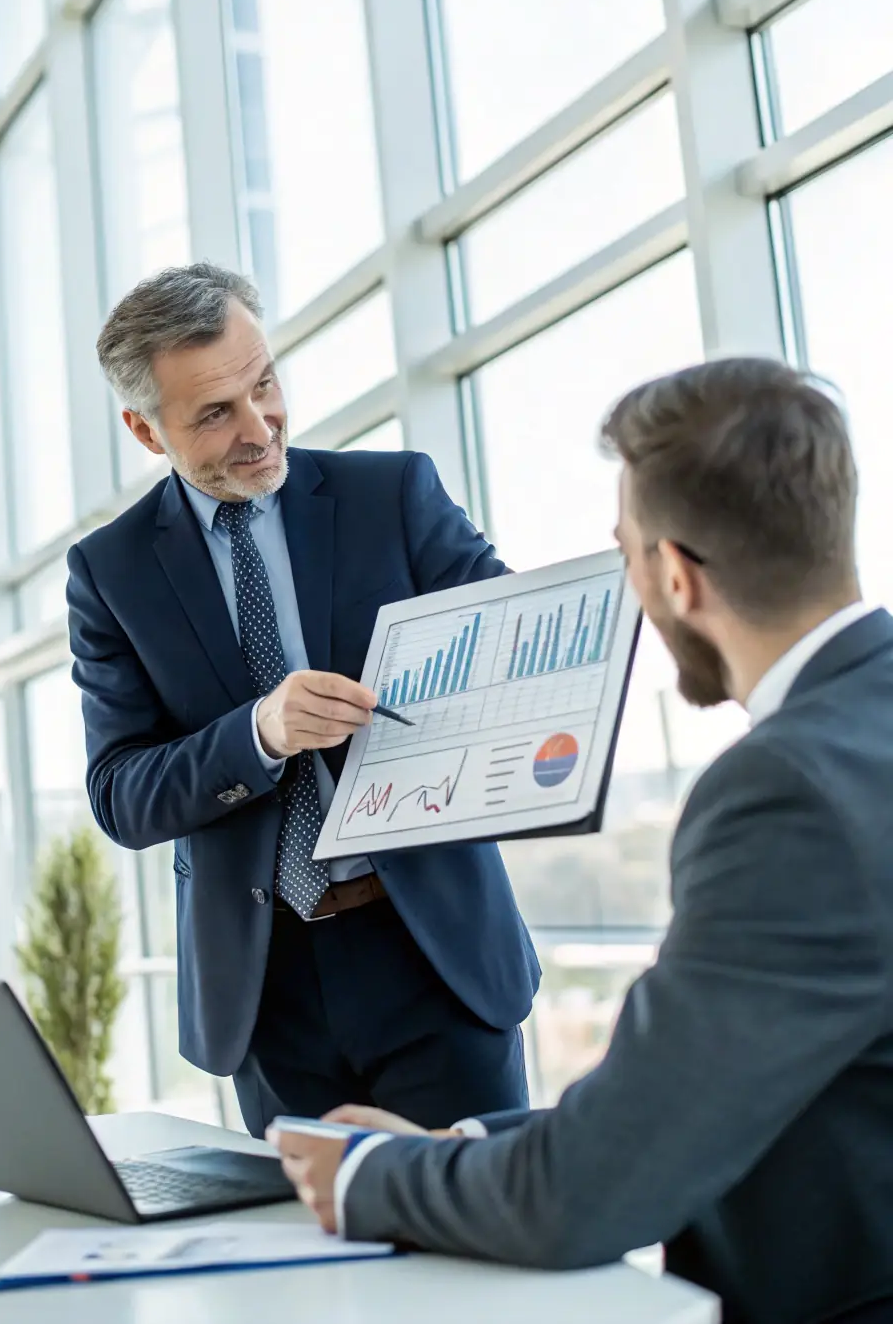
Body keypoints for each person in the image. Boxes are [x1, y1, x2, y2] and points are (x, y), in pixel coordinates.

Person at [272, 357, 893, 1324]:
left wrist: (366, 1175)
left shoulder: (785, 794)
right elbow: (719, 1087)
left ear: (675, 574)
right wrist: (462, 1145)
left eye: (625, 554)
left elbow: (591, 1194)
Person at [66, 262, 538, 1138]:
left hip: (434, 954)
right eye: (215, 413)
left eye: (264, 384)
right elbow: (121, 795)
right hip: (266, 989)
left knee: (477, 1216)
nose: (259, 427)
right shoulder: (111, 574)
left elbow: (511, 643)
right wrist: (259, 732)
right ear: (144, 428)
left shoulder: (392, 496)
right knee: (304, 1231)